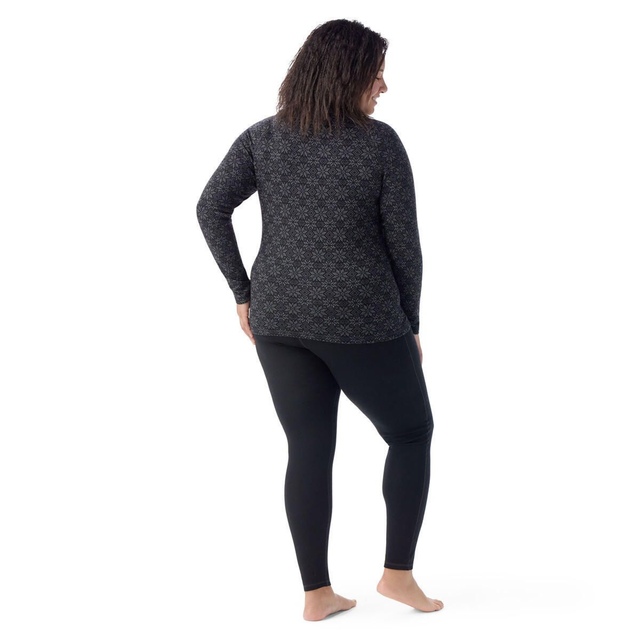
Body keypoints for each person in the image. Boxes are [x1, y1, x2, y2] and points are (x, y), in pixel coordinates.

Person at [196, 18, 443, 621]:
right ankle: (397, 575)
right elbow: (405, 246)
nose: (384, 86)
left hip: (278, 319)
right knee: (411, 433)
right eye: (376, 73)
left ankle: (317, 594)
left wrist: (243, 293)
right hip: (361, 318)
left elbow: (209, 207)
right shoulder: (379, 144)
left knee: (308, 447)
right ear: (347, 73)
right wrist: (410, 323)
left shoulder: (262, 138)